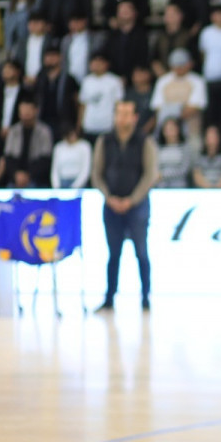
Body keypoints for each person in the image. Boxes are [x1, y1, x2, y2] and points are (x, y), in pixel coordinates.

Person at [93, 100, 158, 312]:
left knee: (141, 252)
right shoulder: (105, 141)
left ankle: (145, 298)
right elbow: (96, 174)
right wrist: (109, 197)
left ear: (135, 117)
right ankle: (109, 298)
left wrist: (132, 200)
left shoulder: (144, 141)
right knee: (113, 254)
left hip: (137, 206)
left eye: (126, 113)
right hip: (111, 205)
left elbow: (150, 175)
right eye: (118, 113)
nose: (122, 118)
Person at [3, 97, 53, 187]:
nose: (25, 113)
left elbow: (45, 159)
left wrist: (29, 175)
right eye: (22, 111)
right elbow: (8, 157)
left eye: (28, 110)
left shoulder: (44, 131)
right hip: (15, 177)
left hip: (36, 178)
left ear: (36, 111)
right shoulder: (13, 131)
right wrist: (16, 174)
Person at [51, 122, 93, 188]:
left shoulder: (84, 146)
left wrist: (75, 187)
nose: (72, 137)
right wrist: (56, 187)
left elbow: (85, 170)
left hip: (79, 183)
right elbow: (55, 170)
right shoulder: (59, 147)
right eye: (69, 135)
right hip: (62, 182)